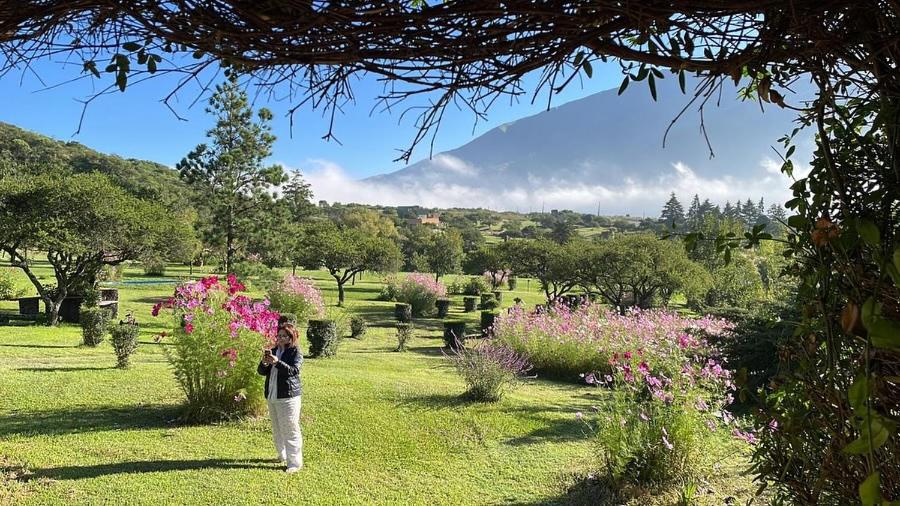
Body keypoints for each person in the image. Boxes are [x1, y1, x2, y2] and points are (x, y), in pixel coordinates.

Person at [258, 322, 303, 472]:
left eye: (284, 336)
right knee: (277, 428)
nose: (281, 338)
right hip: (273, 395)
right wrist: (265, 363)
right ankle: (282, 455)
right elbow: (261, 372)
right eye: (279, 336)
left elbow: (294, 371)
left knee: (290, 429)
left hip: (288, 397)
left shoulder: (295, 352)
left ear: (291, 337)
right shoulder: (273, 351)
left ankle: (294, 463)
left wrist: (277, 363)